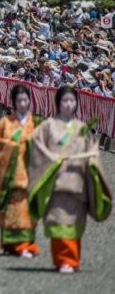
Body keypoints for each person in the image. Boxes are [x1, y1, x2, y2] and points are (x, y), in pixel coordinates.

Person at [27, 85, 112, 273]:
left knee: (75, 223)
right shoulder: (48, 126)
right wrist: (51, 158)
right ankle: (63, 260)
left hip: (77, 181)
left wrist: (91, 159)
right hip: (55, 181)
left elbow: (92, 152)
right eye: (64, 100)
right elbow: (37, 146)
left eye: (71, 100)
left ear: (76, 103)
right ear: (58, 102)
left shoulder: (82, 128)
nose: (68, 104)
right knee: (58, 222)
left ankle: (71, 260)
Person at [0, 84, 39, 258]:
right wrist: (9, 148)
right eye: (19, 100)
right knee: (10, 209)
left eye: (25, 100)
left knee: (25, 210)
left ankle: (25, 245)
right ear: (13, 102)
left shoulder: (35, 124)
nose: (23, 103)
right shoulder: (5, 122)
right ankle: (10, 244)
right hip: (10, 172)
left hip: (28, 171)